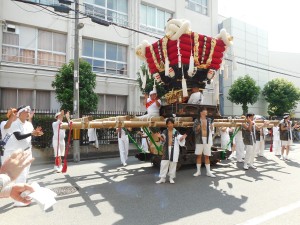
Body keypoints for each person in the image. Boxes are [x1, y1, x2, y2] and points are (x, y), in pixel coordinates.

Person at [3, 105, 43, 206]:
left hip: (28, 151)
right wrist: (32, 134)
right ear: (19, 113)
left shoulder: (29, 124)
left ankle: (22, 196)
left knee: (25, 175)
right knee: (21, 176)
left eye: (29, 110)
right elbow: (18, 137)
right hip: (19, 153)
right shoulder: (15, 124)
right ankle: (18, 200)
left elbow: (32, 135)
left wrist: (36, 134)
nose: (28, 112)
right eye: (26, 110)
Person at [156, 118, 187, 184]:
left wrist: (182, 138)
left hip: (174, 149)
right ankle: (162, 178)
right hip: (166, 149)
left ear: (173, 124)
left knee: (173, 163)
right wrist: (159, 137)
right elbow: (163, 140)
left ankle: (171, 178)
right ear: (167, 125)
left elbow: (179, 139)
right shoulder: (165, 131)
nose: (170, 125)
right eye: (169, 123)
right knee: (164, 163)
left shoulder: (176, 132)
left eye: (171, 123)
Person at [193, 107, 215, 177]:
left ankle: (208, 172)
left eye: (206, 110)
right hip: (199, 139)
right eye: (205, 110)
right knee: (199, 155)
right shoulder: (197, 120)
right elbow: (195, 130)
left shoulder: (209, 120)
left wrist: (211, 126)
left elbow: (212, 130)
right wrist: (200, 125)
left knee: (207, 156)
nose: (206, 111)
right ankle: (198, 171)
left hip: (207, 139)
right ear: (201, 112)